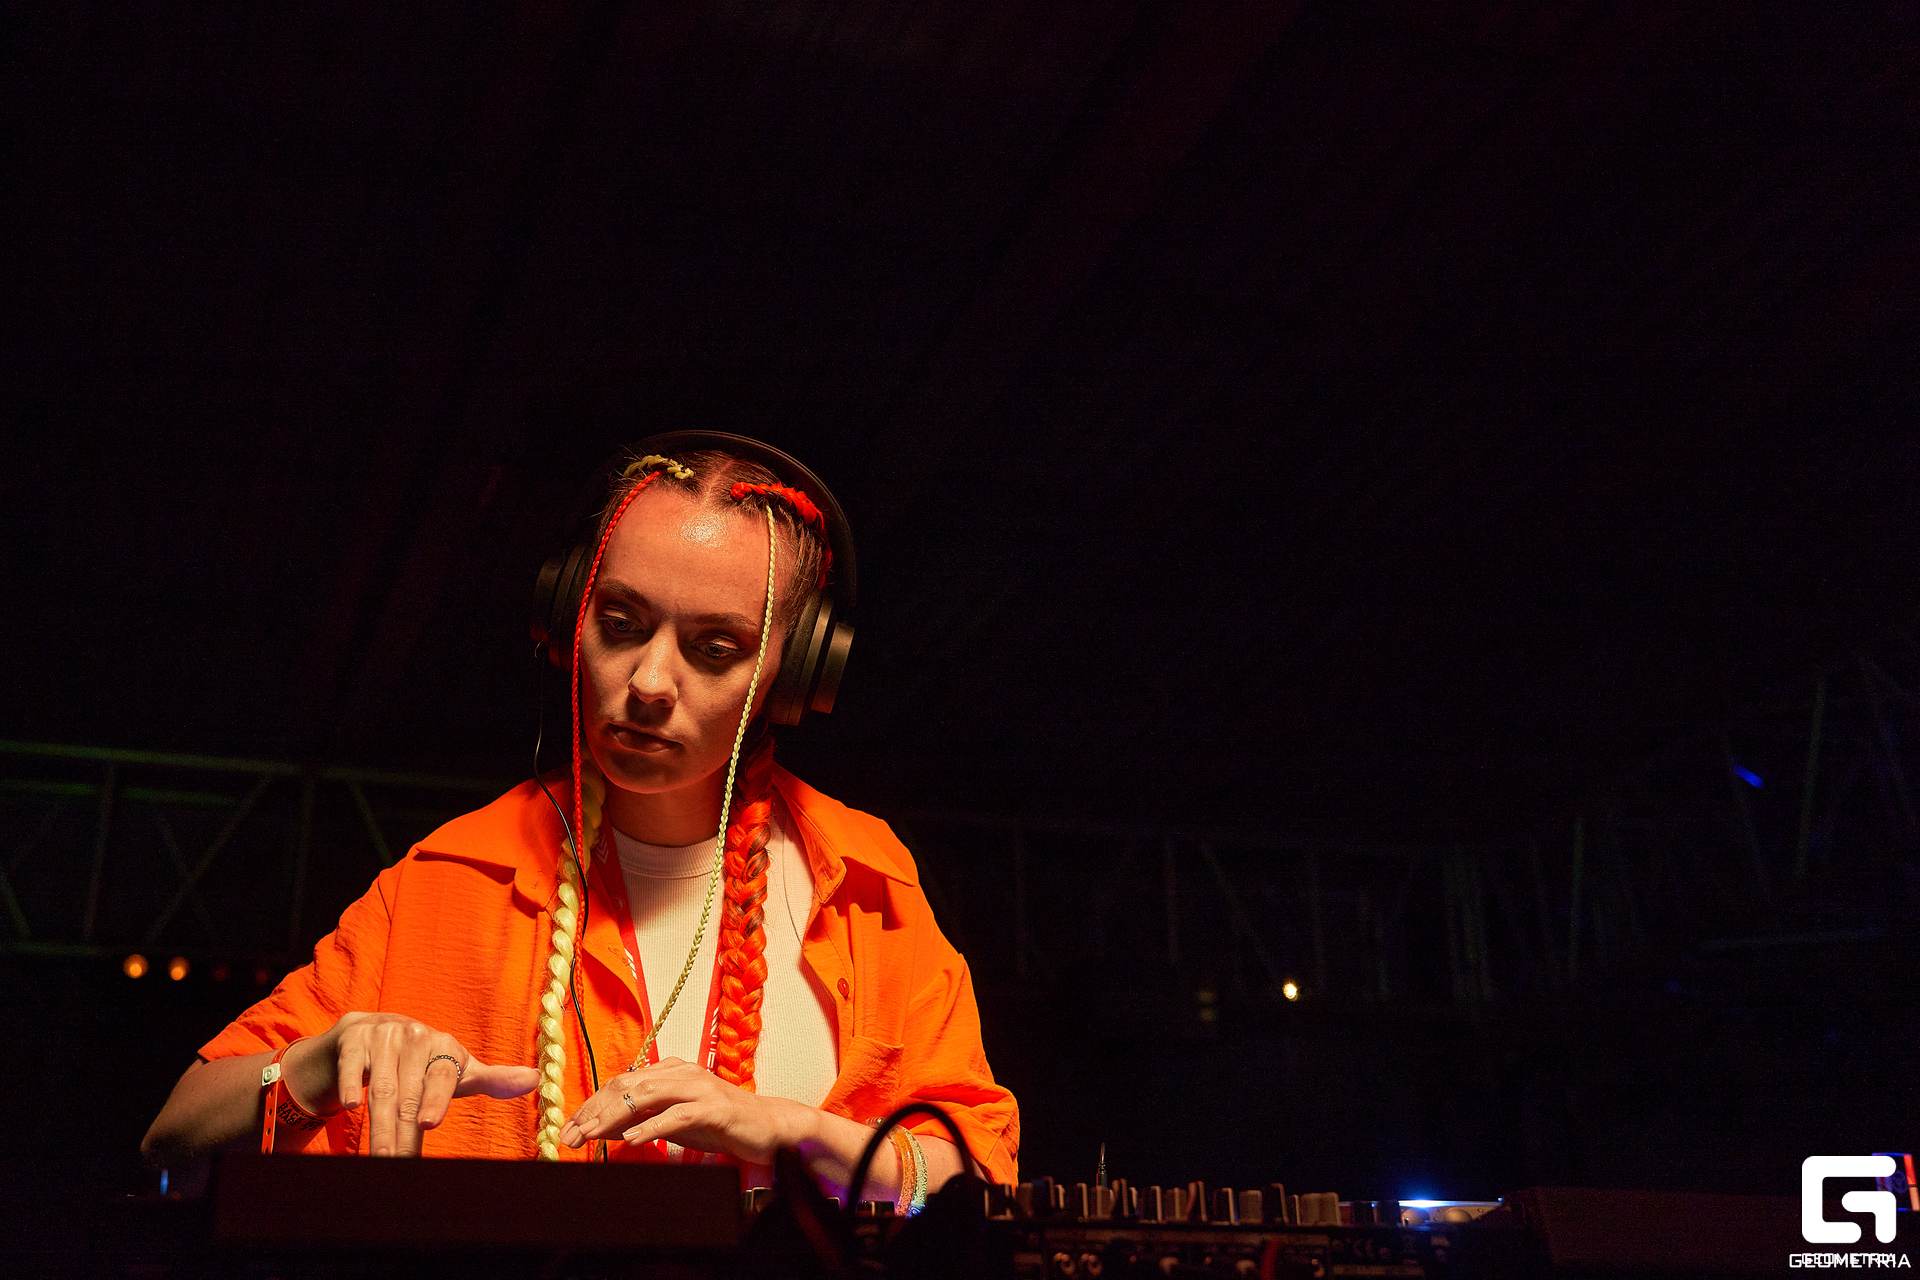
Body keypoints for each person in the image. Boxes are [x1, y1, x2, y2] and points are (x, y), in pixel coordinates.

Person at [142, 440, 1019, 1205]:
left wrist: (787, 1132)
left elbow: (975, 1179)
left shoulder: (866, 881)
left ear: (793, 679)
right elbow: (173, 1139)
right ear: (569, 619)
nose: (649, 682)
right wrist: (310, 1069)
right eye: (621, 623)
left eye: (715, 649)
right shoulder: (451, 876)